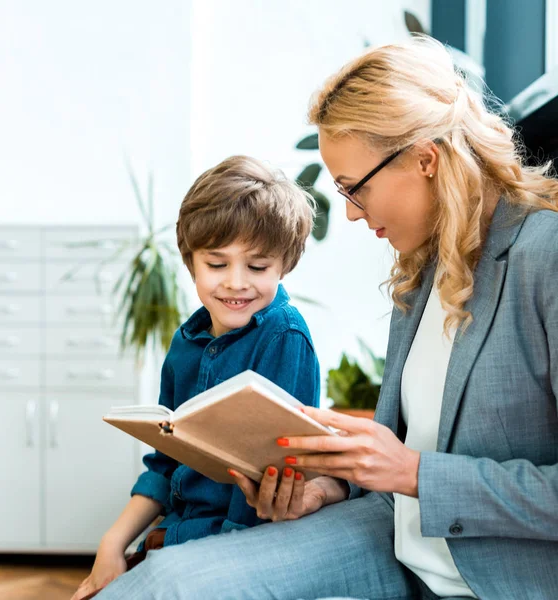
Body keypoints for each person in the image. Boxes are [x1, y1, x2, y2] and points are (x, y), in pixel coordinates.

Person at [94, 35, 558, 600]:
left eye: (353, 188)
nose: (349, 213)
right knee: (162, 584)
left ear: (426, 159)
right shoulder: (421, 271)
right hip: (390, 540)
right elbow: (393, 455)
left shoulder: (544, 255)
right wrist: (324, 489)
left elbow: (407, 465)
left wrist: (415, 473)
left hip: (499, 571)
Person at [71, 155, 321, 600]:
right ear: (190, 263)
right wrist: (114, 543)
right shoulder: (187, 342)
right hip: (176, 536)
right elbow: (165, 462)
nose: (236, 283)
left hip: (233, 547)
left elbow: (269, 475)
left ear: (285, 265)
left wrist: (198, 567)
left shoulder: (283, 338)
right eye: (217, 264)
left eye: (258, 267)